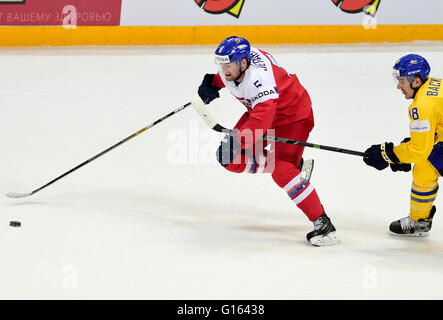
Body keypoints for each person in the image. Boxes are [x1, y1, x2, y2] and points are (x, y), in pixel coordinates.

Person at [196, 36, 339, 246]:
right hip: (262, 113)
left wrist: (238, 140)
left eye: (227, 65)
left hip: (294, 116)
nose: (223, 70)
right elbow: (230, 80)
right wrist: (213, 84)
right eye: (221, 65)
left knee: (281, 171)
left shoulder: (259, 78)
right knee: (228, 158)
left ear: (243, 63)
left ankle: (323, 225)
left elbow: (262, 120)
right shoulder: (237, 63)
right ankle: (294, 165)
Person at [363, 53, 442, 236]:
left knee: (424, 164)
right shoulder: (435, 84)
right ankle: (419, 221)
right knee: (425, 169)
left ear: (415, 81)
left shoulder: (421, 106)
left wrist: (388, 154)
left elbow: (419, 151)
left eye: (402, 82)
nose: (399, 86)